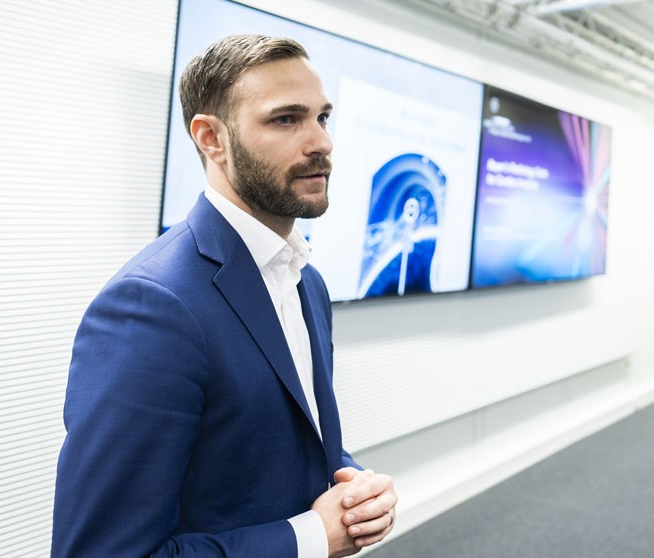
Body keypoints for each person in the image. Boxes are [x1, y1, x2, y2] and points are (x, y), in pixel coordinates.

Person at [51, 34, 397, 557]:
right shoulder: (152, 307)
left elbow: (277, 446)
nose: (321, 142)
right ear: (211, 138)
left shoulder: (306, 281)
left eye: (322, 118)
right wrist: (311, 536)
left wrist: (355, 493)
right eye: (286, 119)